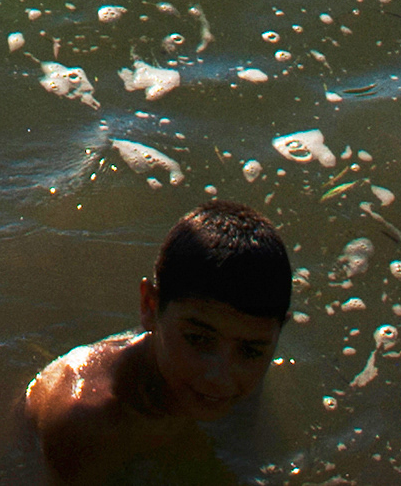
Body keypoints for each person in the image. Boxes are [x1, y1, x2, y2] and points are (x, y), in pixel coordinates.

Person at [22, 201, 292, 483]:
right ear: (150, 306)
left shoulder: (240, 371)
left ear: (276, 335)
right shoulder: (87, 424)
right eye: (198, 339)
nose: (220, 378)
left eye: (250, 351)